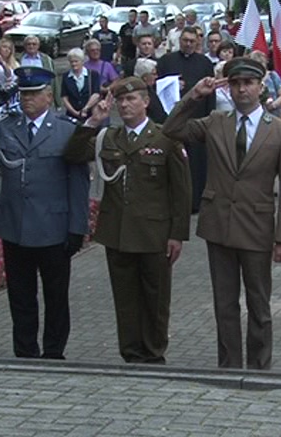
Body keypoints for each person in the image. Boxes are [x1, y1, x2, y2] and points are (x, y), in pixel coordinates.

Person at [162, 57, 281, 370]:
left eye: (248, 83)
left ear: (261, 87)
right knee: (224, 304)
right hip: (218, 225)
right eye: (235, 84)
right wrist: (194, 95)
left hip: (257, 227)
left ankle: (260, 367)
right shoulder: (215, 121)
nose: (241, 89)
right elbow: (172, 129)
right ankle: (229, 365)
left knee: (259, 304)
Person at [0, 66, 90, 359]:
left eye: (34, 93)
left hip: (53, 228)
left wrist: (77, 227)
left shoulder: (66, 130)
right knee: (21, 298)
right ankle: (25, 352)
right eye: (23, 93)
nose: (27, 99)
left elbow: (78, 184)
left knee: (56, 297)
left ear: (49, 96)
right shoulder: (6, 125)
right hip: (15, 227)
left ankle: (54, 352)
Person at [64, 77, 191, 364]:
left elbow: (181, 191)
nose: (124, 105)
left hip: (154, 233)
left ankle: (154, 352)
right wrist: (93, 121)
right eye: (120, 100)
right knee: (125, 298)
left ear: (146, 102)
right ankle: (131, 353)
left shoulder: (165, 137)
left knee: (156, 298)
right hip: (118, 231)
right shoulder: (108, 138)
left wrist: (177, 234)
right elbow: (72, 154)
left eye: (131, 99)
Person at [157, 26, 216, 212]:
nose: (189, 44)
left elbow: (210, 92)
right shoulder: (166, 61)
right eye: (185, 40)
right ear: (179, 40)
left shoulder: (205, 63)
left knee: (197, 163)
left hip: (198, 119)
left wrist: (209, 117)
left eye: (192, 41)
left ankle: (195, 202)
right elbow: (158, 87)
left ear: (197, 42)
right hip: (173, 120)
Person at [61, 48, 101, 120]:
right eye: (71, 62)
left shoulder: (93, 74)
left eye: (76, 61)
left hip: (90, 114)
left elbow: (96, 94)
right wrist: (75, 113)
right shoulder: (65, 76)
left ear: (82, 61)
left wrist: (86, 108)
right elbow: (64, 97)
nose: (73, 64)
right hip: (71, 115)